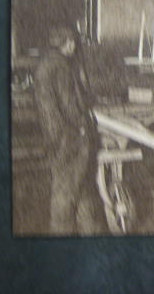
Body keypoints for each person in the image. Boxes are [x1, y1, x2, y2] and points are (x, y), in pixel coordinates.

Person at [33, 26, 103, 234]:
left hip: (53, 135)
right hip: (69, 137)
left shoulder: (44, 64)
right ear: (66, 43)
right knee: (68, 187)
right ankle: (62, 233)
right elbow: (69, 104)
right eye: (72, 42)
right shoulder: (62, 66)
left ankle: (90, 230)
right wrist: (83, 126)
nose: (74, 46)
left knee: (80, 185)